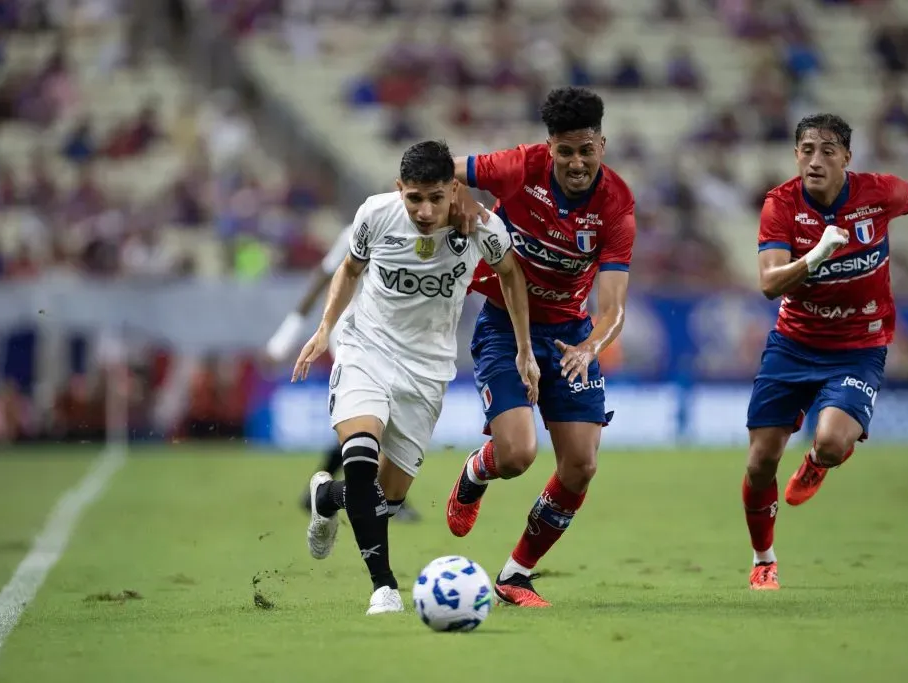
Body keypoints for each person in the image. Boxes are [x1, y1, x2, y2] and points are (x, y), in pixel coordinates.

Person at [291, 140, 540, 615]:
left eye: (436, 198)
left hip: (427, 370)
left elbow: (510, 274)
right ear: (398, 189)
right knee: (360, 456)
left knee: (385, 495)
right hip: (367, 349)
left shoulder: (483, 228)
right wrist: (325, 328)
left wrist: (525, 349)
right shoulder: (375, 215)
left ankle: (326, 497)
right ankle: (384, 588)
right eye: (414, 198)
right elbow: (349, 269)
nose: (425, 211)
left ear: (454, 190)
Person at [443, 86, 637, 607]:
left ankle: (514, 575)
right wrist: (459, 204)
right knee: (518, 455)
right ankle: (475, 471)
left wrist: (591, 346)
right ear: (549, 146)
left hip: (571, 335)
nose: (576, 162)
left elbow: (614, 308)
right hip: (504, 324)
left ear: (603, 144)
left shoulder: (616, 205)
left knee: (580, 466)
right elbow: (440, 166)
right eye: (565, 150)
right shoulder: (517, 167)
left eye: (586, 149)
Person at [745, 112, 908, 590]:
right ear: (796, 154)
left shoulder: (879, 192)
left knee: (833, 444)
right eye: (806, 150)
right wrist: (817, 255)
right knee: (759, 464)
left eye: (827, 150)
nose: (815, 160)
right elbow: (767, 284)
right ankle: (763, 560)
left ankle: (818, 462)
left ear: (846, 158)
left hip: (860, 346)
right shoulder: (780, 205)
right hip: (793, 345)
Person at [264, 223, 420, 522]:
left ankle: (324, 491)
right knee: (374, 413)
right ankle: (385, 497)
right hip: (353, 334)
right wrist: (284, 339)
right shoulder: (363, 226)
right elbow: (323, 277)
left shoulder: (424, 231)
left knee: (377, 417)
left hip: (392, 336)